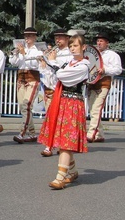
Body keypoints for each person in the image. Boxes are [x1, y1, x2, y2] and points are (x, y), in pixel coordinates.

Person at [37, 34, 89, 189]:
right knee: (62, 140)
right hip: (63, 101)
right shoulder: (69, 62)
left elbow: (61, 75)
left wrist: (52, 62)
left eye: (76, 46)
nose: (72, 48)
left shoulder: (84, 65)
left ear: (83, 47)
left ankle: (60, 178)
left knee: (66, 142)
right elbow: (53, 79)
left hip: (73, 103)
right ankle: (72, 172)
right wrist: (47, 61)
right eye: (71, 46)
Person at [37, 28, 73, 154]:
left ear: (67, 39)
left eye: (61, 37)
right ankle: (49, 145)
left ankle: (58, 145)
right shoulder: (54, 52)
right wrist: (43, 63)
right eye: (56, 37)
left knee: (60, 120)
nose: (58, 40)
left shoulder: (70, 53)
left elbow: (63, 70)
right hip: (50, 88)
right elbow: (48, 71)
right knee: (50, 118)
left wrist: (52, 60)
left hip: (62, 90)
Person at [86, 32, 123, 143]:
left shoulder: (112, 55)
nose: (99, 43)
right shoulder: (92, 54)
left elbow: (118, 69)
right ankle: (99, 134)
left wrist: (105, 70)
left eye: (101, 41)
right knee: (92, 109)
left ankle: (91, 133)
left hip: (103, 83)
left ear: (107, 43)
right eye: (97, 41)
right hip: (92, 83)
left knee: (97, 108)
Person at [8, 27, 43, 145]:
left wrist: (24, 53)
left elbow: (34, 65)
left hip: (32, 79)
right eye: (26, 36)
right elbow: (14, 63)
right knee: (23, 107)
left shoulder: (37, 51)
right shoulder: (22, 49)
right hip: (21, 79)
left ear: (35, 37)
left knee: (26, 105)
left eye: (29, 36)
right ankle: (32, 133)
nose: (27, 38)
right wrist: (15, 54)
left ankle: (22, 133)